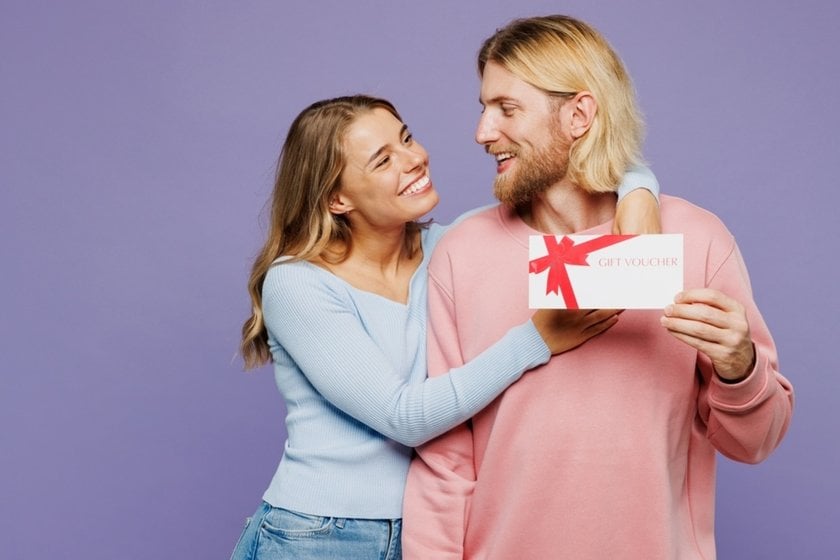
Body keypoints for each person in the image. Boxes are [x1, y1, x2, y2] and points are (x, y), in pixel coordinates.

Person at [402, 15, 794, 560]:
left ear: (579, 114)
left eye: (507, 108)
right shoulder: (463, 253)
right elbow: (445, 461)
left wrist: (740, 365)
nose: (482, 132)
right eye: (483, 107)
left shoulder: (697, 239)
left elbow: (757, 442)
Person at [230, 94, 662, 559]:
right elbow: (403, 418)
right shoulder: (297, 283)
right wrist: (536, 340)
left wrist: (638, 191)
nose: (414, 160)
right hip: (319, 536)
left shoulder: (453, 248)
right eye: (383, 160)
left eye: (407, 138)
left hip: (428, 529)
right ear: (337, 198)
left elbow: (575, 183)